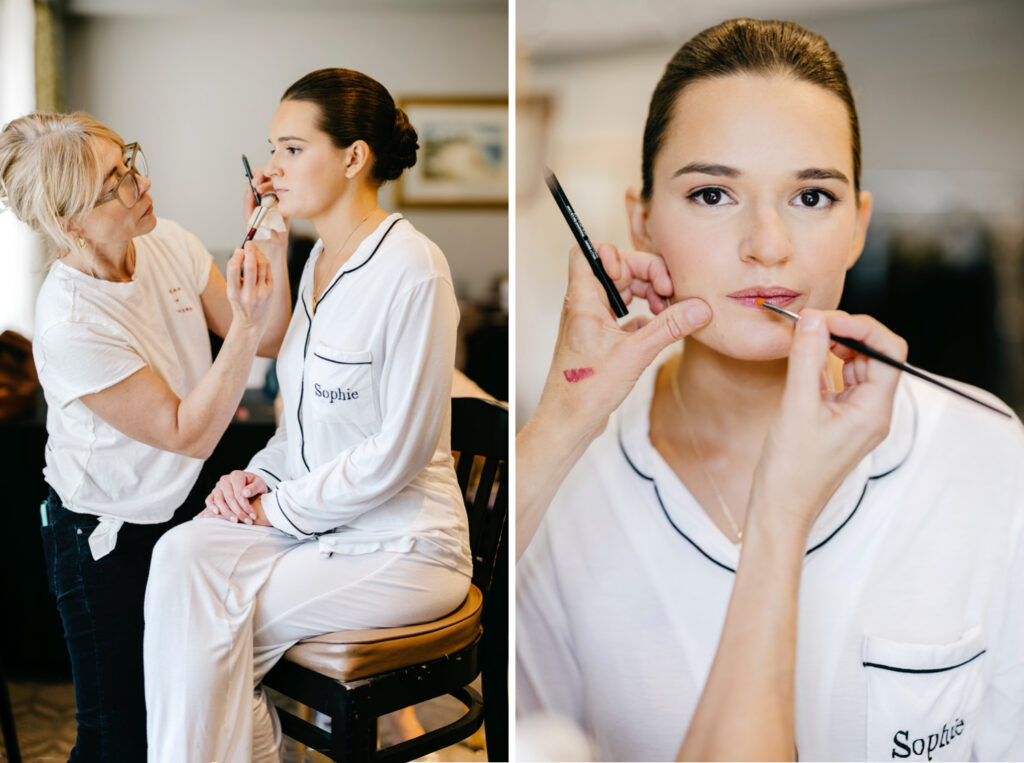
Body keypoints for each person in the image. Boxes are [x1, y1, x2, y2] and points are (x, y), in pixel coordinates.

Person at [516, 18, 1024, 761]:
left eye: (812, 197)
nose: (768, 244)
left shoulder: (991, 455)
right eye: (714, 194)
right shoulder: (563, 490)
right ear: (642, 221)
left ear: (858, 226)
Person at [142, 68, 473, 762]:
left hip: (402, 543)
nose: (270, 168)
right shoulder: (319, 256)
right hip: (319, 524)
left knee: (209, 632)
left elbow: (399, 451)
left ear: (353, 158)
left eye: (292, 149)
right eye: (272, 149)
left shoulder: (415, 268)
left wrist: (277, 509)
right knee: (180, 553)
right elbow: (299, 425)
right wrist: (254, 478)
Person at [0, 112, 290, 761]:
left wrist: (270, 244)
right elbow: (186, 431)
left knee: (184, 714)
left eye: (128, 162)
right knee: (119, 736)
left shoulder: (172, 245)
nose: (141, 182)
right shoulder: (69, 322)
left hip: (183, 510)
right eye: (116, 182)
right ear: (70, 222)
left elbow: (270, 337)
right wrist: (240, 329)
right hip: (105, 537)